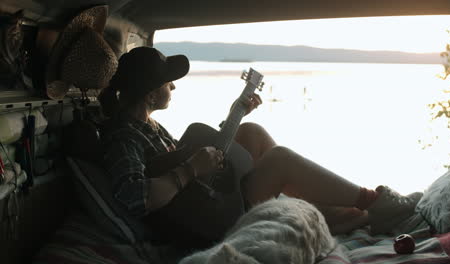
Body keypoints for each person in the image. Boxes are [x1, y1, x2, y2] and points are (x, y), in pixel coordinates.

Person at [97, 46, 422, 249]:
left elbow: (189, 159)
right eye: (167, 80)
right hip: (201, 222)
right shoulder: (126, 137)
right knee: (279, 160)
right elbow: (135, 197)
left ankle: (342, 212)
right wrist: (192, 169)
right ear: (151, 94)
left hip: (201, 198)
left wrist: (235, 113)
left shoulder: (148, 125)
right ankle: (376, 204)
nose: (173, 84)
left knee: (250, 132)